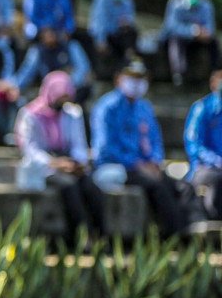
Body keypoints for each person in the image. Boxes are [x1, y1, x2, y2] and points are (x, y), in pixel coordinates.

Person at [92, 61, 187, 237]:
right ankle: (174, 236)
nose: (136, 83)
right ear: (118, 79)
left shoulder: (144, 107)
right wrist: (136, 165)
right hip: (117, 166)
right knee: (157, 187)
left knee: (181, 187)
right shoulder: (107, 108)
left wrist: (155, 162)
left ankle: (189, 231)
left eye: (141, 78)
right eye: (132, 78)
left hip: (146, 166)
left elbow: (155, 140)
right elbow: (105, 148)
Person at [15, 71, 105, 243]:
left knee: (91, 187)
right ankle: (80, 237)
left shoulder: (72, 113)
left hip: (69, 163)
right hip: (45, 166)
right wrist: (54, 163)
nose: (62, 104)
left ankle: (101, 236)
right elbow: (30, 149)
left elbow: (79, 144)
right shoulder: (29, 114)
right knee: (69, 187)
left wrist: (77, 163)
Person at [162, 0, 220, 86]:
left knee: (213, 42)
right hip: (179, 38)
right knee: (175, 41)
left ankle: (216, 73)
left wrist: (204, 33)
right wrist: (192, 31)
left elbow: (210, 27)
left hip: (199, 39)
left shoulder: (206, 4)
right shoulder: (174, 3)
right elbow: (171, 27)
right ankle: (179, 76)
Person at [15, 26, 92, 104]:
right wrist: (14, 86)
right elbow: (26, 72)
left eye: (52, 32)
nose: (49, 35)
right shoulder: (37, 51)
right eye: (46, 32)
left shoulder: (71, 46)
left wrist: (65, 85)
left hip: (72, 90)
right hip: (49, 93)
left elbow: (83, 69)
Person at [184, 69, 222, 220]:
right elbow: (193, 145)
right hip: (203, 168)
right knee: (217, 179)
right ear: (213, 83)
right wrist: (216, 161)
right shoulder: (201, 108)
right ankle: (214, 220)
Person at [88, 0, 138, 65]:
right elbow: (98, 20)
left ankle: (130, 59)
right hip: (105, 34)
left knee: (131, 32)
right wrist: (100, 40)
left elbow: (131, 18)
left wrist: (126, 22)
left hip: (119, 34)